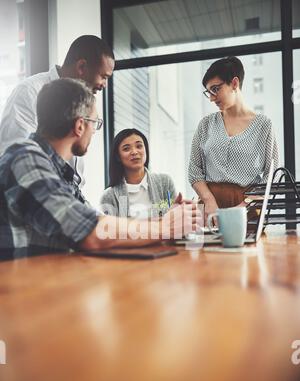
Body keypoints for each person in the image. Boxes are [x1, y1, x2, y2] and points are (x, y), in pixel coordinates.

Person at [0, 79, 200, 261]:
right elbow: (90, 232)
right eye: (95, 123)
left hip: (49, 283)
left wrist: (165, 219)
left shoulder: (62, 172)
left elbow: (96, 221)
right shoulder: (24, 158)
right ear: (80, 126)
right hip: (19, 292)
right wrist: (165, 227)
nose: (94, 132)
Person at [0, 35, 115, 187]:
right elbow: (18, 162)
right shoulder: (29, 92)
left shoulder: (82, 102)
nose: (104, 85)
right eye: (103, 77)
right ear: (81, 67)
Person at [188, 56, 279, 224]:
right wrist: (209, 200)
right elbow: (194, 170)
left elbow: (270, 176)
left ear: (234, 83)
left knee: (249, 250)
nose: (211, 98)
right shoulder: (205, 124)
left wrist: (245, 205)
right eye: (209, 92)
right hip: (209, 209)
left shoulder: (264, 125)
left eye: (215, 89)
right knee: (205, 251)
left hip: (247, 210)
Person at [100, 128, 178, 218]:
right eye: (126, 149)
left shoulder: (164, 182)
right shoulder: (109, 197)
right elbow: (109, 230)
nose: (134, 152)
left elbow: (177, 221)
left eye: (139, 146)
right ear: (118, 156)